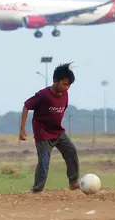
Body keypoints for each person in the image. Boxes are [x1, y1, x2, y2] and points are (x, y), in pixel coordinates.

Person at [19, 62, 80, 193]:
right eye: (64, 84)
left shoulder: (65, 94)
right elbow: (26, 106)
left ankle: (73, 182)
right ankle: (37, 190)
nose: (67, 88)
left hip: (57, 131)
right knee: (44, 160)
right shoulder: (43, 95)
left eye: (69, 85)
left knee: (71, 151)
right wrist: (22, 129)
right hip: (43, 133)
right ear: (55, 81)